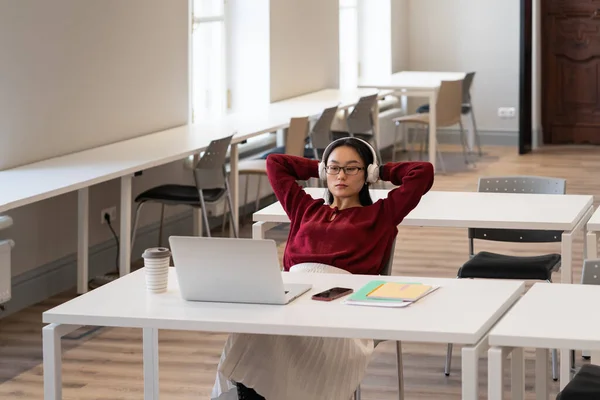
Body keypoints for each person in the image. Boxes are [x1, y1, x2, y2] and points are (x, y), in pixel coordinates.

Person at [211, 137, 434, 400]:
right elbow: (275, 163)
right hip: (293, 296)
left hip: (341, 301)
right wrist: (318, 167)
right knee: (252, 331)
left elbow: (423, 173)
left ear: (367, 174)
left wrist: (381, 171)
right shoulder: (305, 208)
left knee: (268, 338)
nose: (341, 175)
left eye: (352, 168)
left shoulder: (381, 214)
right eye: (334, 168)